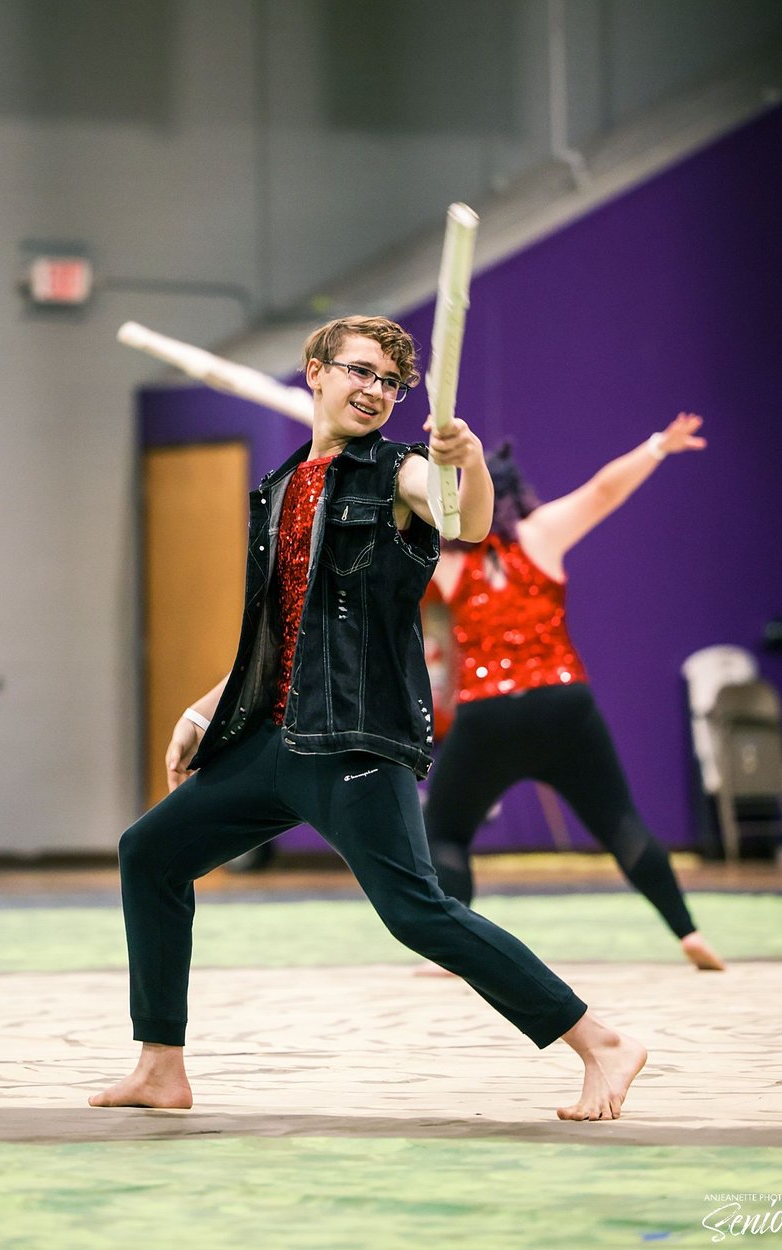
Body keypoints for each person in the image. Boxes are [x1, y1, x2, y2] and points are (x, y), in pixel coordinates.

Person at [90, 315, 647, 1122]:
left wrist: (469, 466)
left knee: (417, 911)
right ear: (314, 372)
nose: (376, 392)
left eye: (390, 382)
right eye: (359, 372)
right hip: (277, 739)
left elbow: (465, 519)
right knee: (150, 853)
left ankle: (600, 1042)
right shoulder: (281, 487)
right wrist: (202, 711)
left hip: (354, 741)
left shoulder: (400, 474)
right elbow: (284, 627)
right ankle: (160, 1066)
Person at [422, 417, 724, 971]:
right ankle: (687, 932)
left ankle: (450, 951)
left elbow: (394, 537)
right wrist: (656, 444)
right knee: (620, 822)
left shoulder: (446, 563)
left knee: (443, 831)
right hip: (563, 705)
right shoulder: (542, 534)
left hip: (487, 714)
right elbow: (604, 489)